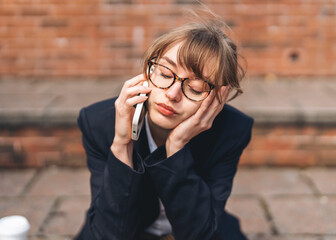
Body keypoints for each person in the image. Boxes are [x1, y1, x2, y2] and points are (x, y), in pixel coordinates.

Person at [75, 13, 254, 240]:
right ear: (149, 71)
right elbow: (109, 233)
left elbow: (199, 235)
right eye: (165, 74)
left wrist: (176, 146)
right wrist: (122, 144)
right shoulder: (98, 122)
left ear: (218, 98)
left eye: (196, 89)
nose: (171, 94)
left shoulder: (231, 130)